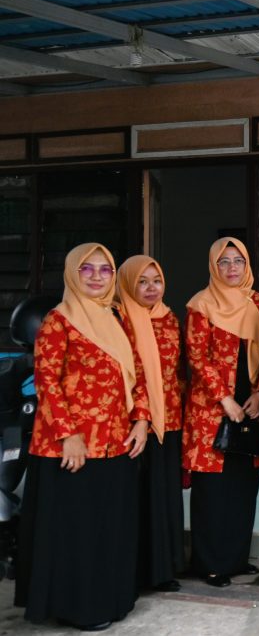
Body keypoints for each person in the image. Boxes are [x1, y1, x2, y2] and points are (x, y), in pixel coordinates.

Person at [16, 243, 150, 631]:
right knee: (77, 531)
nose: (95, 277)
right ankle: (79, 609)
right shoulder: (59, 321)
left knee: (109, 528)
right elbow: (47, 381)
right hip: (72, 447)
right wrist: (67, 435)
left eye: (104, 270)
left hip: (116, 443)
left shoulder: (116, 318)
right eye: (86, 270)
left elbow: (136, 373)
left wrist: (141, 420)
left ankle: (110, 600)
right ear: (73, 275)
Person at [183, 237, 259, 587]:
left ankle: (236, 558)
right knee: (212, 490)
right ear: (213, 266)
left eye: (238, 261)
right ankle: (210, 563)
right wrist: (224, 398)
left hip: (250, 404)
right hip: (212, 408)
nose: (231, 268)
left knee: (242, 486)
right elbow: (197, 357)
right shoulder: (200, 305)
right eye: (224, 262)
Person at [115, 255, 186, 594]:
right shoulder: (118, 317)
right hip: (132, 421)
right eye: (141, 281)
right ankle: (136, 569)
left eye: (155, 280)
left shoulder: (170, 318)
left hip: (169, 418)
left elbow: (176, 372)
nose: (150, 288)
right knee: (136, 497)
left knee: (164, 494)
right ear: (128, 282)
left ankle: (163, 570)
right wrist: (140, 415)